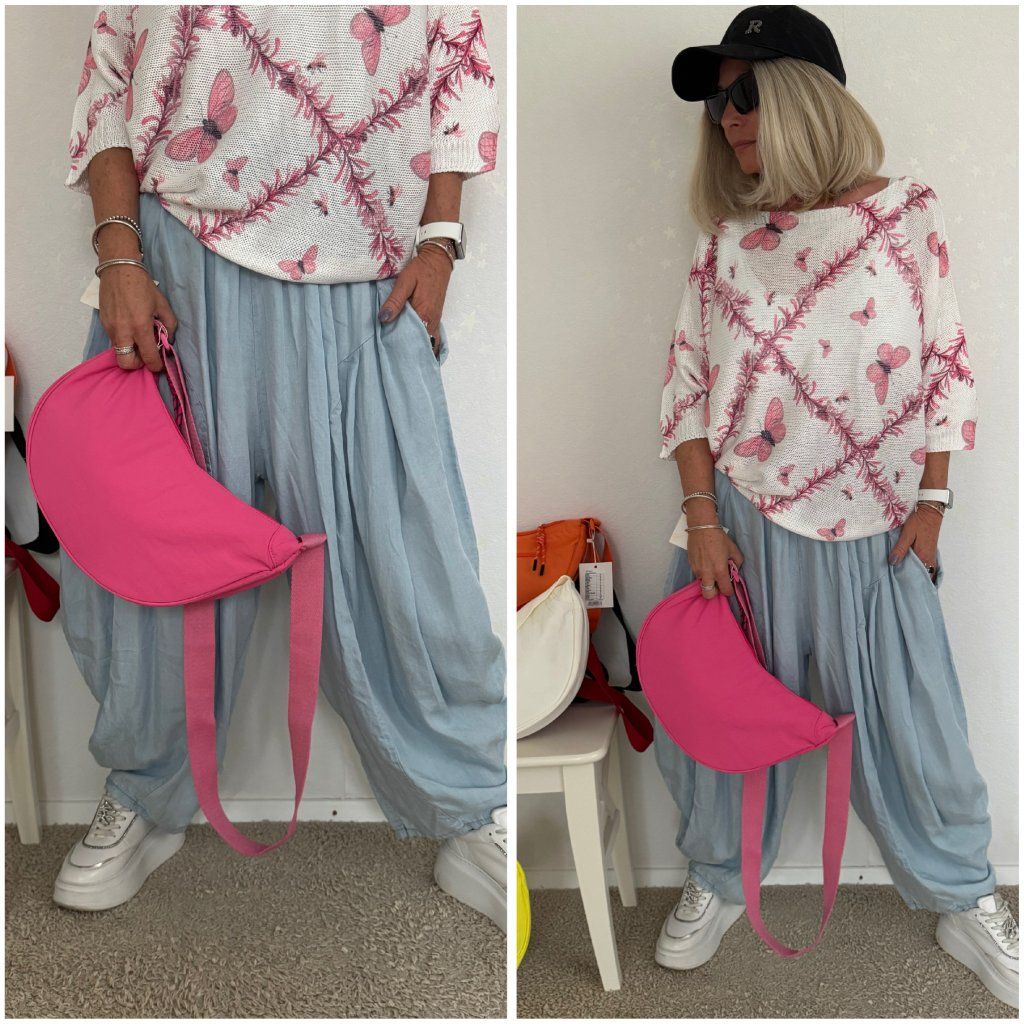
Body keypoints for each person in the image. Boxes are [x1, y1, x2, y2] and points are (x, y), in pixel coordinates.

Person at [54, 5, 507, 933]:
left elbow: (459, 55)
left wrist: (441, 240)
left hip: (362, 268)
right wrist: (117, 250)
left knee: (403, 562)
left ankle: (467, 805)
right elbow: (110, 67)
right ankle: (144, 789)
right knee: (162, 552)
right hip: (177, 261)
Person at [653, 5, 1017, 1009]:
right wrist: (702, 520)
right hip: (741, 526)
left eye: (745, 94)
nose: (728, 118)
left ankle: (962, 891)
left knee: (915, 723)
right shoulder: (725, 244)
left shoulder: (907, 215)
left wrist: (934, 501)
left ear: (807, 98)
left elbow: (946, 366)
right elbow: (686, 390)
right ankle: (721, 873)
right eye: (717, 105)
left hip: (878, 524)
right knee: (723, 714)